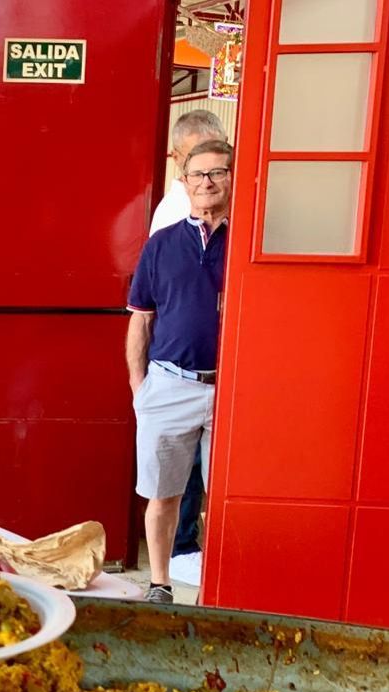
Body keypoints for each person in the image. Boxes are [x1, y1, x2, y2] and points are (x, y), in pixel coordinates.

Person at [126, 139, 234, 605]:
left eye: (218, 173)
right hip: (169, 383)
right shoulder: (161, 245)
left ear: (232, 178)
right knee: (163, 493)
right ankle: (160, 583)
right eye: (199, 174)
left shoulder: (247, 242)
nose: (208, 182)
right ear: (185, 182)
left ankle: (223, 587)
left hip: (232, 389)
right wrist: (139, 386)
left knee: (227, 499)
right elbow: (141, 317)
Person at [150, 111, 228, 587]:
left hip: (224, 369)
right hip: (177, 367)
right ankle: (179, 554)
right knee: (174, 475)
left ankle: (200, 553)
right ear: (180, 161)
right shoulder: (172, 217)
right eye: (198, 162)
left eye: (217, 161)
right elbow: (149, 303)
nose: (208, 172)